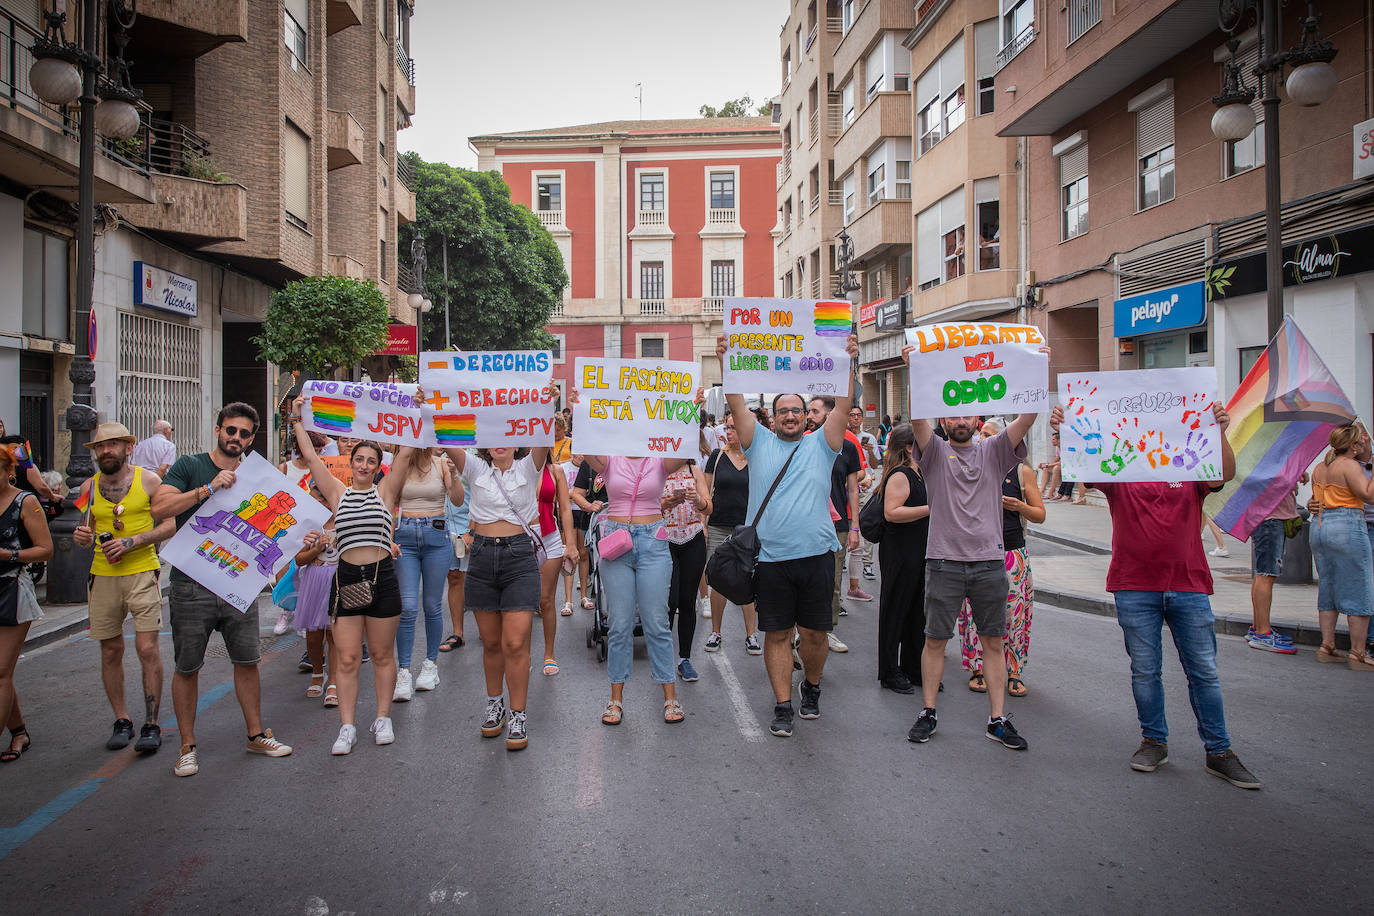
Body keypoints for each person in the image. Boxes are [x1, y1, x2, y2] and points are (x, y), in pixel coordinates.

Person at [1048, 404, 1262, 787]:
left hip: (1188, 585)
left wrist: (1220, 433)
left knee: (1204, 673)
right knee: (1146, 671)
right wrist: (1068, 429)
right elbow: (1081, 466)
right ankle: (1153, 741)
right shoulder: (1121, 471)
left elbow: (1224, 474)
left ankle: (1219, 750)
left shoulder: (1190, 463)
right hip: (1134, 585)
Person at [901, 345, 1047, 753]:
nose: (960, 420)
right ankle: (928, 712)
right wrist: (916, 372)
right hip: (944, 562)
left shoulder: (996, 450)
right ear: (944, 419)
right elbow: (916, 418)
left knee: (993, 642)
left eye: (968, 414)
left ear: (977, 419)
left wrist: (1039, 367)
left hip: (988, 563)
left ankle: (997, 719)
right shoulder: (933, 453)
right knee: (934, 640)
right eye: (953, 413)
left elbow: (1028, 415)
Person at [716, 333, 860, 738]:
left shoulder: (824, 444)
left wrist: (848, 362)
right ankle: (782, 705)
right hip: (771, 560)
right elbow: (736, 403)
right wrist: (728, 362)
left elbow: (844, 404)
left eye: (797, 410)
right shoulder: (757, 441)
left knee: (814, 634)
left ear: (807, 416)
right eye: (783, 411)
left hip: (816, 556)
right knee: (777, 634)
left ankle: (811, 687)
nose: (791, 416)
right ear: (773, 417)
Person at [152, 403, 294, 777]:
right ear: (218, 430)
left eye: (244, 434)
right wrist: (206, 489)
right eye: (230, 430)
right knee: (187, 666)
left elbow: (286, 523)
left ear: (252, 438)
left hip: (238, 586)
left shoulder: (259, 474)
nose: (236, 438)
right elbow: (159, 507)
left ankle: (256, 734)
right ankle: (187, 746)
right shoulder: (190, 465)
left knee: (247, 663)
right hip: (191, 585)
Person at [289, 405, 426, 754]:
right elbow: (310, 455)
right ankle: (346, 727)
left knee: (382, 655)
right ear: (351, 463)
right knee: (347, 659)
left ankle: (383, 718)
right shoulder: (338, 493)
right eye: (359, 459)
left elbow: (408, 449)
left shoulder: (387, 492)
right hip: (346, 579)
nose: (364, 465)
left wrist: (422, 408)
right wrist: (295, 420)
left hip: (382, 579)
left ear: (378, 466)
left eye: (370, 461)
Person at [442, 420, 555, 751]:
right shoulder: (475, 467)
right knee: (491, 643)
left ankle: (518, 713)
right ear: (483, 444)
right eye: (492, 437)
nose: (499, 443)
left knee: (515, 642)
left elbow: (544, 435)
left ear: (518, 440)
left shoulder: (529, 468)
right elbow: (445, 437)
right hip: (481, 558)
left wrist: (547, 403)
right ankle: (495, 704)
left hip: (519, 559)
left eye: (507, 437)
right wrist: (429, 405)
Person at [71, 422, 176, 753]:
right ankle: (122, 720)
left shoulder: (149, 480)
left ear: (128, 448)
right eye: (100, 447)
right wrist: (82, 536)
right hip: (102, 574)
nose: (105, 451)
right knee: (111, 649)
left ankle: (151, 723)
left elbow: (171, 524)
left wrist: (134, 540)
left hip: (143, 571)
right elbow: (84, 527)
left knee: (147, 649)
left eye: (112, 445)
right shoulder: (88, 487)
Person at [574, 444, 688, 726]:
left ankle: (670, 696)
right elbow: (586, 443)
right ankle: (615, 699)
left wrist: (692, 407)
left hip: (653, 542)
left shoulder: (659, 459)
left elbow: (684, 448)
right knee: (619, 624)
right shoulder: (610, 458)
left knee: (656, 622)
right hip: (617, 542)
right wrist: (579, 406)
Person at [958, 445, 1044, 697]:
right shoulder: (971, 469)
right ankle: (978, 669)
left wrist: (1019, 506)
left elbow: (1040, 514)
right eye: (983, 436)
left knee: (1014, 614)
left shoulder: (1021, 472)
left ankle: (1014, 671)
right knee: (974, 614)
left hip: (1011, 552)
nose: (984, 440)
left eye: (989, 435)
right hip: (977, 552)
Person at [393, 447, 463, 702]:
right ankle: (403, 671)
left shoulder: (441, 463)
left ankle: (430, 664)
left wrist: (454, 475)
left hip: (437, 535)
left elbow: (457, 500)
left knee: (432, 604)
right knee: (408, 606)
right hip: (405, 537)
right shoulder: (399, 461)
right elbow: (389, 500)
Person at [0, 443, 52, 763]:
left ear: (9, 470)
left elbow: (45, 549)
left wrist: (11, 555)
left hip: (12, 589)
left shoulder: (26, 502)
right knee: (1, 673)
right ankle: (18, 732)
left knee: (1, 671)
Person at [1308, 422, 1374, 671]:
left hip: (1320, 526)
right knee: (1359, 585)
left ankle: (1327, 646)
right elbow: (1368, 495)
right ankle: (1357, 653)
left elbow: (1316, 499)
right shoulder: (1349, 465)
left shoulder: (1320, 467)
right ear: (1354, 445)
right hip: (1347, 524)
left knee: (1328, 585)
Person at [808, 395, 866, 656]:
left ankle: (827, 630)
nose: (809, 416)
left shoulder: (849, 447)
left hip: (838, 524)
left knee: (832, 579)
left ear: (831, 416)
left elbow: (853, 488)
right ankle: (802, 629)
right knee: (807, 577)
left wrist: (854, 527)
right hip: (806, 521)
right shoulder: (804, 441)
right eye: (809, 411)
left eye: (815, 412)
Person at [702, 413, 761, 655]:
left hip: (747, 529)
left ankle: (751, 634)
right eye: (727, 427)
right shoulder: (717, 457)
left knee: (746, 578)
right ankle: (716, 632)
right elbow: (705, 493)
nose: (729, 432)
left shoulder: (757, 458)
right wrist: (703, 525)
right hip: (718, 525)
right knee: (718, 579)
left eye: (734, 428)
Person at [877, 424, 930, 694]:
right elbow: (891, 513)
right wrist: (931, 508)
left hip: (919, 550)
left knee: (916, 613)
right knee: (895, 611)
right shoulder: (900, 475)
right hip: (900, 552)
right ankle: (889, 671)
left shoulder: (919, 472)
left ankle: (913, 667)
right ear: (910, 446)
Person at [661, 458, 712, 682]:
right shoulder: (657, 468)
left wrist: (697, 499)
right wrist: (667, 503)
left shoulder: (695, 469)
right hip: (665, 540)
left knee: (687, 601)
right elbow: (647, 506)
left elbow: (709, 506)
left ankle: (684, 659)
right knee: (669, 602)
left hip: (693, 539)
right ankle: (663, 659)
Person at [1246, 472, 1305, 654]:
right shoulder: (1268, 462)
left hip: (1268, 518)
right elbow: (1266, 481)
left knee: (1262, 574)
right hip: (1270, 519)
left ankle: (1258, 628)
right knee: (1266, 574)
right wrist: (1292, 478)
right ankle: (1263, 633)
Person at [534, 455, 577, 676]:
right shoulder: (513, 466)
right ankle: (519, 653)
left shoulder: (555, 470)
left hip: (548, 537)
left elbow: (565, 509)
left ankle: (548, 654)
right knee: (520, 601)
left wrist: (570, 543)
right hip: (517, 537)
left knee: (546, 599)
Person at [439, 472, 470, 653]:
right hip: (444, 525)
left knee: (477, 579)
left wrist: (471, 531)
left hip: (471, 523)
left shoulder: (477, 453)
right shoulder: (437, 456)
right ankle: (458, 632)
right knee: (454, 578)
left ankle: (487, 627)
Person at [570, 459, 606, 611]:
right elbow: (577, 493)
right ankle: (602, 606)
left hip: (628, 523)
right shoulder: (590, 462)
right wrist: (589, 506)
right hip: (598, 522)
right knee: (599, 564)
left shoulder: (628, 457)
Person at [849, 406, 880, 581]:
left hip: (866, 487)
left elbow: (875, 465)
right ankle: (845, 559)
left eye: (858, 415)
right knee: (847, 525)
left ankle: (867, 564)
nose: (855, 418)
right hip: (848, 487)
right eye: (852, 415)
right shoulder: (844, 437)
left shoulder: (870, 440)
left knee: (867, 524)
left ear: (862, 419)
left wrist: (869, 451)